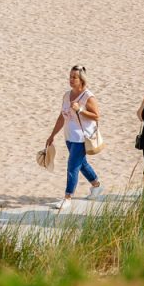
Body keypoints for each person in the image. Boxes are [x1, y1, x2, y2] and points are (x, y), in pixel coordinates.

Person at [45, 65, 104, 208]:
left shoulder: (88, 96)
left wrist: (81, 109)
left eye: (74, 77)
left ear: (82, 79)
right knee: (81, 164)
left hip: (82, 138)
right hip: (69, 137)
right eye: (70, 76)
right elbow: (62, 117)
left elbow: (97, 116)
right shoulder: (66, 95)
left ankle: (68, 198)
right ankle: (96, 186)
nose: (71, 79)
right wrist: (52, 135)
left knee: (72, 167)